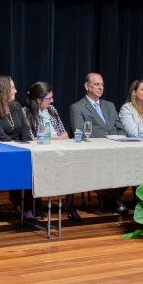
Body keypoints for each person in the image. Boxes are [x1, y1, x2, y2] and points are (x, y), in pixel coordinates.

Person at [69, 73, 128, 214]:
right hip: (95, 153)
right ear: (87, 86)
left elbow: (120, 128)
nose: (101, 87)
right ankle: (114, 201)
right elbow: (80, 132)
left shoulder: (109, 105)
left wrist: (120, 139)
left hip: (117, 150)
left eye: (102, 85)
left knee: (133, 166)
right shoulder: (77, 107)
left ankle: (107, 200)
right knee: (101, 168)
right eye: (97, 84)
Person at [22, 81, 81, 221]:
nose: (52, 100)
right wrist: (56, 138)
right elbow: (31, 138)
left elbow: (64, 133)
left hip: (58, 150)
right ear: (38, 99)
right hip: (40, 154)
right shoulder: (26, 112)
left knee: (73, 165)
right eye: (49, 98)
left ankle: (70, 205)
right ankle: (34, 205)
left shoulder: (52, 110)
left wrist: (54, 138)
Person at [0, 76, 35, 217]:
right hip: (0, 150)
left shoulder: (16, 106)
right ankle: (20, 204)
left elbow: (25, 130)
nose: (15, 91)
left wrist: (30, 146)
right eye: (12, 88)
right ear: (2, 90)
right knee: (21, 163)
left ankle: (29, 205)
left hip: (20, 148)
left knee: (33, 162)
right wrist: (17, 147)